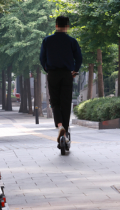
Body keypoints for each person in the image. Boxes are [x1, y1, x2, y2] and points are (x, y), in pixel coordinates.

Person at [39, 15, 82, 143]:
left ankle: (60, 126)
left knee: (55, 102)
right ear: (67, 26)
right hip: (67, 74)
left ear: (56, 25)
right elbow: (79, 58)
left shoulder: (47, 40)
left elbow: (42, 58)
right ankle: (66, 131)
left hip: (53, 73)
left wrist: (48, 69)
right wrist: (75, 70)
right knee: (66, 102)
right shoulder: (72, 41)